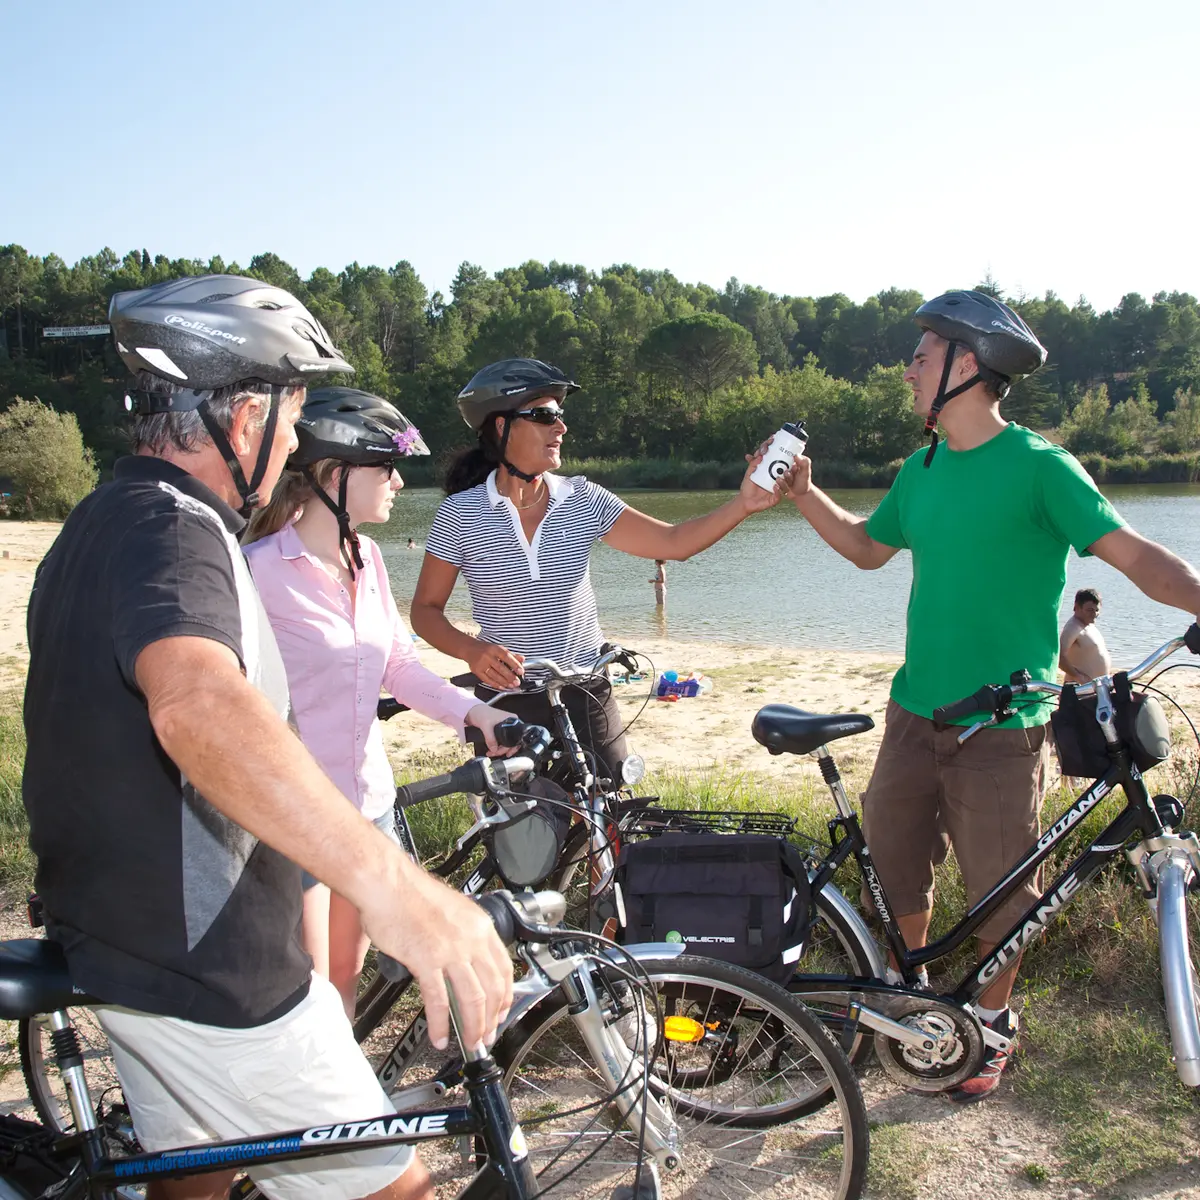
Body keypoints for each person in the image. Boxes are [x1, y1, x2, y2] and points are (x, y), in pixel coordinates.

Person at [22, 274, 511, 1200]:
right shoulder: (176, 534)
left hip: (131, 945)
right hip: (214, 973)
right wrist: (393, 885)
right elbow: (197, 706)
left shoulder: (99, 521)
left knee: (196, 1177)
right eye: (289, 421)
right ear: (244, 420)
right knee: (390, 1190)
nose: (292, 443)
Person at [778, 289, 1200, 1101]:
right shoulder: (922, 468)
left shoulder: (1041, 468)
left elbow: (1136, 555)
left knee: (1004, 890)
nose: (908, 371)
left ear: (965, 367)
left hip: (1005, 726)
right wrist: (803, 494)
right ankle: (920, 988)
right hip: (914, 710)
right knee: (895, 864)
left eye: (922, 356)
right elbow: (869, 549)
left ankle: (992, 1023)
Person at [244, 387, 517, 1019]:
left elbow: (400, 666)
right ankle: (303, 1111)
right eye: (384, 468)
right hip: (295, 813)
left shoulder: (366, 559)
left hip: (367, 804)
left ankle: (331, 1111)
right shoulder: (258, 569)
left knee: (345, 975)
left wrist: (475, 713)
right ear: (336, 476)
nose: (397, 481)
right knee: (307, 987)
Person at [410, 358, 780, 780]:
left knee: (608, 819)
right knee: (525, 835)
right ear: (501, 427)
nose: (561, 427)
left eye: (560, 416)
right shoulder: (461, 513)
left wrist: (744, 503)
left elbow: (674, 542)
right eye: (545, 416)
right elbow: (425, 610)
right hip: (507, 701)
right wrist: (472, 651)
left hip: (587, 692)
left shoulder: (582, 498)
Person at [1059, 587, 1112, 684]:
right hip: (1080, 688)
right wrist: (1078, 676)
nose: (1094, 614)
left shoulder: (1089, 625)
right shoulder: (1073, 627)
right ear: (1076, 607)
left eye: (1096, 610)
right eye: (1089, 610)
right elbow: (1059, 657)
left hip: (1098, 687)